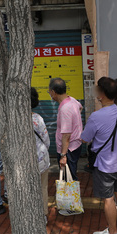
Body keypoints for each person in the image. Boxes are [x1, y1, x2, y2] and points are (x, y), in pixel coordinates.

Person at [81, 77, 117, 234]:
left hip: (104, 165)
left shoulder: (96, 116)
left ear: (101, 95)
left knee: (108, 199)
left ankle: (112, 232)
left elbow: (85, 138)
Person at [49, 78, 83, 182]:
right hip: (76, 145)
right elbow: (80, 108)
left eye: (49, 91)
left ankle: (72, 198)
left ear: (53, 92)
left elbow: (66, 136)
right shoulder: (72, 100)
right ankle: (72, 197)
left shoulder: (65, 109)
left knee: (69, 179)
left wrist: (63, 156)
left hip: (69, 149)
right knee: (70, 175)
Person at [31, 87, 52, 220]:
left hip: (22, 162)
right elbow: (46, 139)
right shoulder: (37, 118)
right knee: (43, 187)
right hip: (41, 159)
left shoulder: (12, 120)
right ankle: (43, 214)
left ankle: (30, 214)